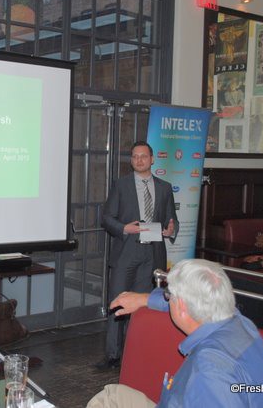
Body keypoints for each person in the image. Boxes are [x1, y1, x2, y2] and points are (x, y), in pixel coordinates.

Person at [87, 259, 263, 408]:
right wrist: (145, 299)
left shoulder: (211, 372)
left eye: (169, 295)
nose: (167, 300)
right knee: (112, 397)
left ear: (182, 307)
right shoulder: (240, 322)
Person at [99, 140, 178, 369]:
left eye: (143, 156)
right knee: (118, 302)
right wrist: (124, 228)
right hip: (127, 251)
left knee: (143, 305)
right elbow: (106, 218)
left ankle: (137, 353)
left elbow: (172, 220)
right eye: (134, 156)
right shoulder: (121, 185)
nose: (139, 160)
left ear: (152, 159)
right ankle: (113, 356)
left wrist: (171, 230)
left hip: (152, 253)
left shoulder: (165, 187)